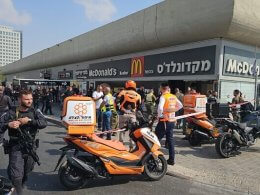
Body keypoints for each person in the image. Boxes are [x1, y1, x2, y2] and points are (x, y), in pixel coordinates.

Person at [0, 90, 47, 195]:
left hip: (30, 147)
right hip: (16, 146)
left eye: (31, 99)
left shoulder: (35, 111)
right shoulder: (11, 112)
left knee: (27, 169)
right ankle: (17, 188)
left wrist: (29, 121)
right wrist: (9, 124)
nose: (29, 101)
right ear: (19, 99)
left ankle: (19, 179)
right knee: (16, 175)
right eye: (26, 99)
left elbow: (44, 123)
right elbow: (1, 124)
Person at [155, 82, 183, 165]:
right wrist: (172, 110)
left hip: (164, 121)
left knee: (156, 139)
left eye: (160, 88)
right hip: (171, 121)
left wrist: (160, 115)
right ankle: (171, 159)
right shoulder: (173, 96)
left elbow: (160, 108)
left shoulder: (163, 97)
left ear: (162, 88)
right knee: (170, 140)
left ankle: (152, 157)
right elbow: (180, 105)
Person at [117, 80, 141, 151]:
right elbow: (139, 106)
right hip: (132, 115)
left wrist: (121, 109)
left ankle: (121, 146)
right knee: (132, 131)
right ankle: (131, 146)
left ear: (127, 85)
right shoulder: (138, 95)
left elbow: (116, 102)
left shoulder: (123, 92)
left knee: (122, 130)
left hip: (123, 114)